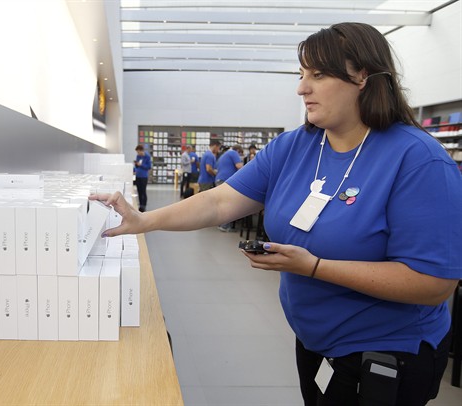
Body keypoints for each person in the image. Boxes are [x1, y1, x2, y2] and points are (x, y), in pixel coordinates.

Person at [92, 22, 462, 405]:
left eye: (318, 75)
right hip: (316, 344)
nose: (302, 88)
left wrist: (315, 267)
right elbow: (220, 201)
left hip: (385, 355)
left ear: (363, 76)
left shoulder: (418, 160)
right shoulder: (295, 146)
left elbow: (432, 282)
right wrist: (144, 220)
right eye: (301, 75)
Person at [216, 145, 244, 231]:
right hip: (226, 180)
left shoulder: (225, 154)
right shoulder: (234, 153)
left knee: (222, 203)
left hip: (219, 179)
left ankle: (221, 224)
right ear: (238, 151)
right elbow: (239, 166)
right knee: (228, 204)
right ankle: (225, 226)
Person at [133, 144, 151, 212]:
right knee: (139, 191)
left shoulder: (147, 156)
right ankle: (140, 205)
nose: (138, 153)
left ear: (141, 150)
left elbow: (149, 167)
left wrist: (141, 165)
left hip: (144, 176)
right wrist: (135, 166)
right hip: (138, 176)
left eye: (138, 152)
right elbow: (137, 166)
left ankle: (144, 205)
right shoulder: (138, 156)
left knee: (143, 191)